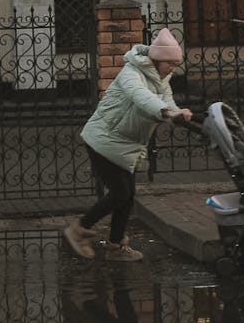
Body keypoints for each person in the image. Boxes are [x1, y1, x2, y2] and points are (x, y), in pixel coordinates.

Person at [63, 28, 193, 263]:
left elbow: (167, 100)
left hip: (125, 143)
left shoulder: (162, 78)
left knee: (128, 195)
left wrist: (178, 113)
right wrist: (166, 112)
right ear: (157, 59)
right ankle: (78, 229)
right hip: (102, 139)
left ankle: (115, 247)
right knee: (120, 192)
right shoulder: (131, 73)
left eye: (176, 64)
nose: (173, 69)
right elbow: (142, 97)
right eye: (170, 63)